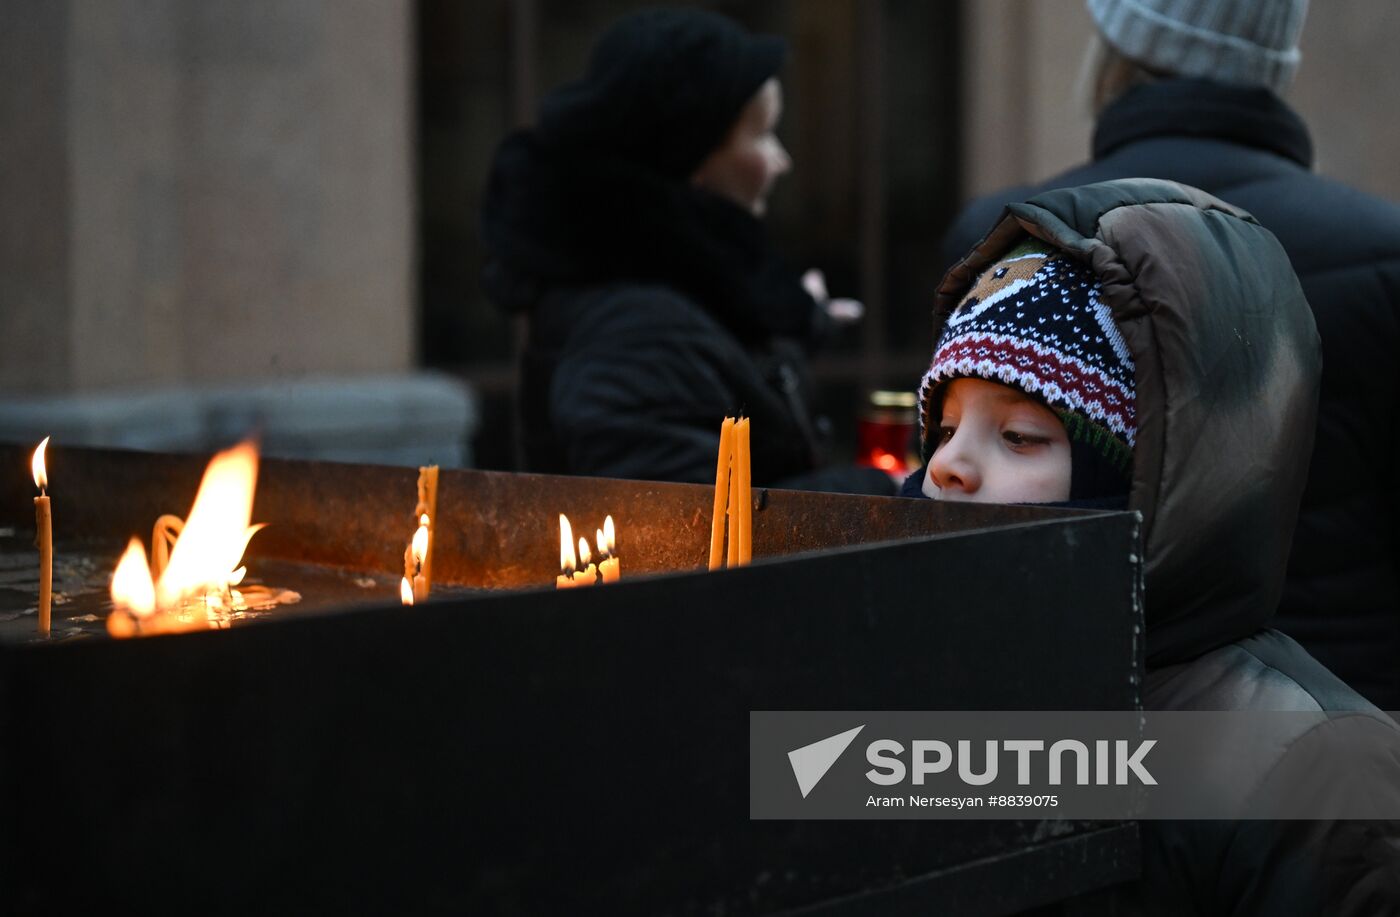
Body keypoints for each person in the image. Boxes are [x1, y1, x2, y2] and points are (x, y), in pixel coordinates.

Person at [906, 177, 1400, 914]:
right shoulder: (916, 693)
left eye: (1019, 434)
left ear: (1143, 473)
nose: (945, 465)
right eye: (944, 428)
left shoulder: (1317, 768)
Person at [940, 0, 1400, 711]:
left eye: (1018, 434)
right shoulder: (1380, 248)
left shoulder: (1017, 236)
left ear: (1116, 45)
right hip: (1347, 726)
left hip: (1069, 716)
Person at [481, 8, 891, 494]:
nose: (782, 160)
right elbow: (686, 540)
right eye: (760, 134)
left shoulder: (688, 274)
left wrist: (799, 326)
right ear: (691, 157)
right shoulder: (636, 339)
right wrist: (890, 493)